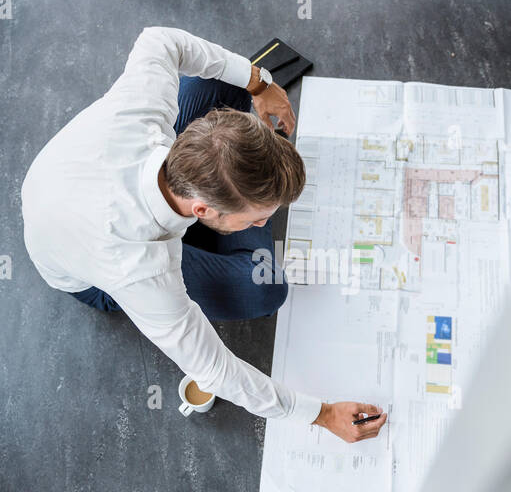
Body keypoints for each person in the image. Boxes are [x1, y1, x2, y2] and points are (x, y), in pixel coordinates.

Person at [21, 27, 388, 444]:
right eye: (256, 219)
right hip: (93, 273)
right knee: (264, 286)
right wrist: (321, 414)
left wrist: (259, 82)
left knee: (214, 81)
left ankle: (234, 170)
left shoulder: (143, 108)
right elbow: (215, 370)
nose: (264, 225)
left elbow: (159, 40)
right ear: (202, 211)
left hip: (94, 189)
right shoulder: (142, 273)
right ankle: (232, 224)